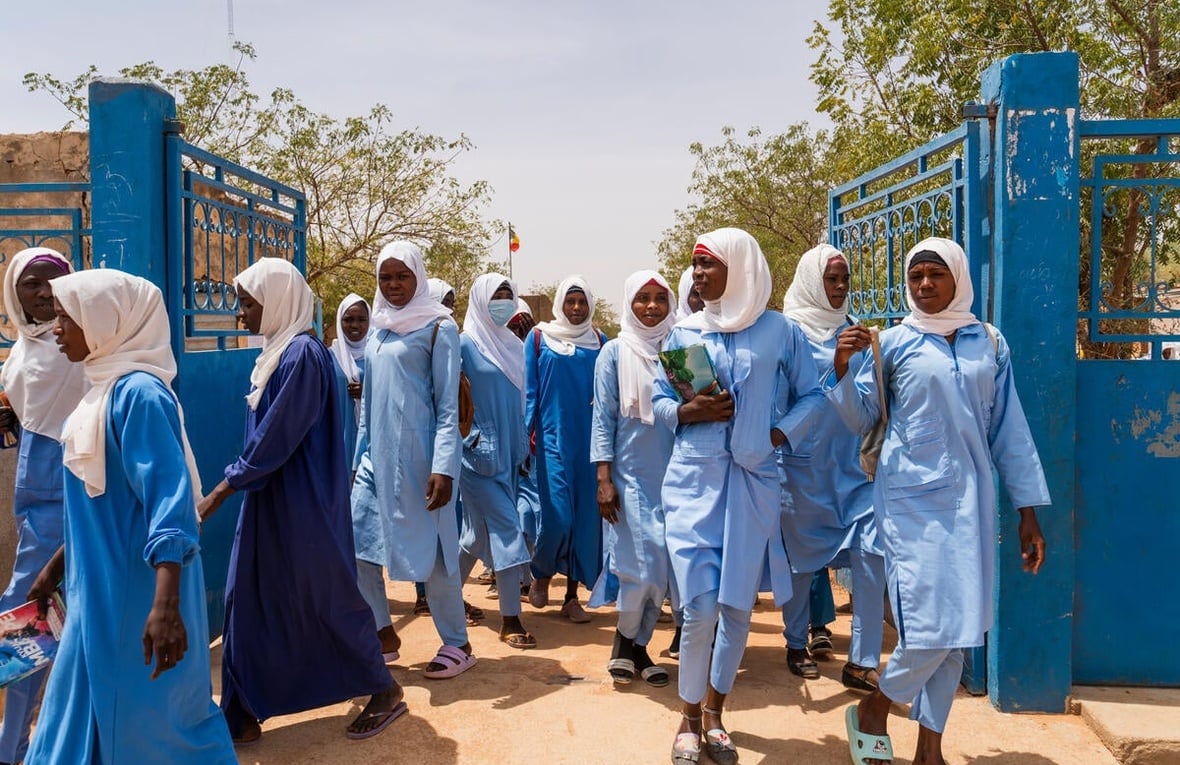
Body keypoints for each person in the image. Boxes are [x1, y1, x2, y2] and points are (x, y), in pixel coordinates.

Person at [829, 237, 1050, 765]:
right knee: (929, 629)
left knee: (961, 629)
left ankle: (931, 747)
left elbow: (1008, 430)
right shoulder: (895, 343)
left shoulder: (989, 342)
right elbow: (862, 419)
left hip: (971, 500)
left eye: (935, 274)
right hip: (908, 503)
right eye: (916, 276)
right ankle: (875, 708)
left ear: (958, 278)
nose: (924, 284)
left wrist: (1027, 513)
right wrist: (841, 367)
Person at [24, 269, 236, 763]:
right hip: (95, 587)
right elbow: (101, 498)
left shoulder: (139, 395)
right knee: (82, 709)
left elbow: (170, 503)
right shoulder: (98, 390)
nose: (56, 329)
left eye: (65, 318)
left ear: (105, 320)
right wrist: (57, 568)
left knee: (152, 725)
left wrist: (165, 608)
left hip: (137, 591)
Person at [198, 258, 404, 743]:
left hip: (302, 505)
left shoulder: (303, 356)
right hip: (273, 500)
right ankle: (242, 711)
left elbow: (277, 436)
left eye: (249, 304)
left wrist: (224, 488)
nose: (241, 314)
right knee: (248, 601)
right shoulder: (279, 354)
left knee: (324, 599)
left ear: (278, 302)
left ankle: (382, 687)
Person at [657, 228, 823, 765]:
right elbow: (659, 403)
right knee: (700, 608)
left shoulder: (779, 330)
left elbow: (813, 393)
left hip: (753, 483)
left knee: (735, 609)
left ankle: (715, 715)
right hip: (693, 483)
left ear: (741, 268)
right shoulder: (682, 333)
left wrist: (777, 434)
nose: (699, 274)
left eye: (709, 264)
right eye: (695, 266)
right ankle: (686, 717)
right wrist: (686, 412)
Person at [351, 242, 476, 679]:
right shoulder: (379, 329)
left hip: (423, 462)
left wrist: (444, 466)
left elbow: (446, 407)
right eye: (386, 277)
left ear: (418, 277)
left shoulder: (439, 329)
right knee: (359, 544)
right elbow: (368, 405)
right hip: (374, 462)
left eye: (401, 276)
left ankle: (457, 643)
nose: (393, 285)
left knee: (437, 554)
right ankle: (383, 632)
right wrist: (356, 462)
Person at [778, 244, 887, 689]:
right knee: (802, 566)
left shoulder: (856, 332)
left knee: (871, 554)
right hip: (802, 470)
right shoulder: (787, 333)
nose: (841, 288)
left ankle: (861, 659)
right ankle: (794, 641)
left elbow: (869, 400)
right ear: (811, 281)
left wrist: (848, 363)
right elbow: (782, 398)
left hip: (852, 467)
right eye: (832, 279)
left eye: (845, 279)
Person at [0, 248, 86, 765]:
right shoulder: (24, 349)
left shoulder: (83, 341)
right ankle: (17, 743)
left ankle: (28, 744)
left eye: (52, 281)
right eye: (30, 283)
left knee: (38, 613)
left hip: (77, 481)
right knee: (33, 618)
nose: (42, 293)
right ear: (14, 292)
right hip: (37, 493)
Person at [590, 270, 678, 688]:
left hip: (677, 475)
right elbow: (602, 419)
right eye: (642, 298)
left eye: (660, 299)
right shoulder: (613, 353)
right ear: (629, 302)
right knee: (638, 568)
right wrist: (604, 478)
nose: (652, 307)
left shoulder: (680, 344)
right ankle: (627, 641)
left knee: (661, 569)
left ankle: (633, 647)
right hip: (628, 477)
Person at [456, 274, 536, 648]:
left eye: (508, 294)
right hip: (477, 458)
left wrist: (522, 449)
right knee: (508, 529)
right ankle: (510, 618)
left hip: (510, 454)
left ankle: (446, 596)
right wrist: (468, 440)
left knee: (474, 537)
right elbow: (447, 400)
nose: (503, 301)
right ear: (480, 300)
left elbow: (519, 402)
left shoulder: (515, 346)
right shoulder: (464, 345)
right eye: (496, 295)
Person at [525, 276, 606, 622]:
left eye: (582, 302)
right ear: (561, 303)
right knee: (559, 517)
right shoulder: (540, 337)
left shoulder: (600, 340)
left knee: (585, 522)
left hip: (591, 442)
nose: (576, 309)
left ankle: (571, 596)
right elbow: (530, 389)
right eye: (570, 301)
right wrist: (526, 432)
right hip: (551, 438)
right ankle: (541, 573)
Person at [329, 293, 370, 460]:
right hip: (336, 438)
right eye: (348, 319)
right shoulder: (329, 357)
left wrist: (367, 394)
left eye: (361, 319)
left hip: (369, 439)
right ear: (340, 321)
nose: (355, 325)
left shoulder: (377, 354)